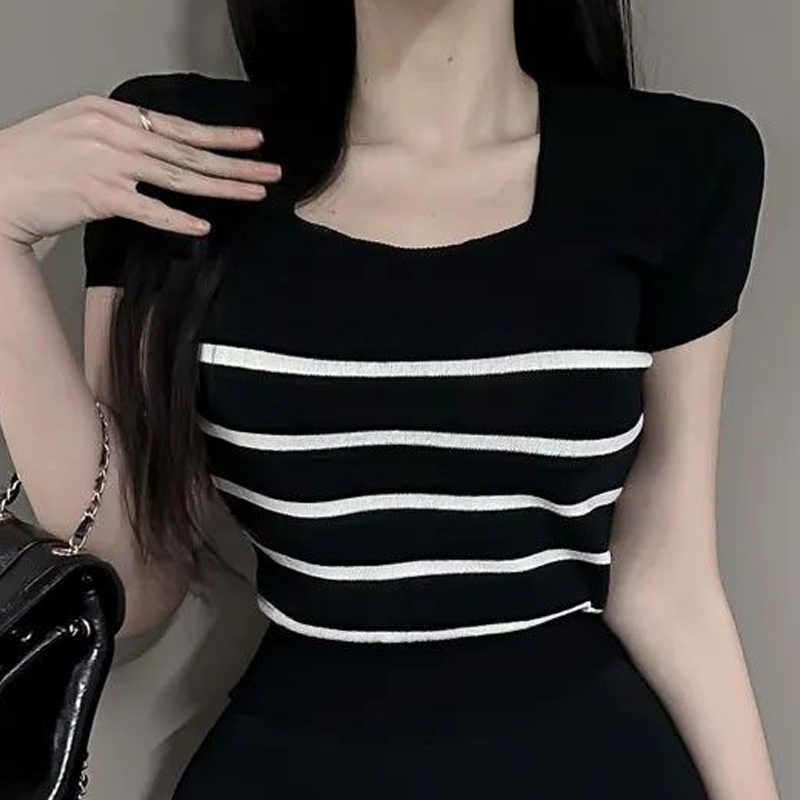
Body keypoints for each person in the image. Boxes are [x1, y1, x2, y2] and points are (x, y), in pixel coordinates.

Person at [0, 1, 779, 798]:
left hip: (597, 765)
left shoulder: (676, 167)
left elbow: (665, 577)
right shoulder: (183, 150)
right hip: (294, 768)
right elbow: (134, 575)